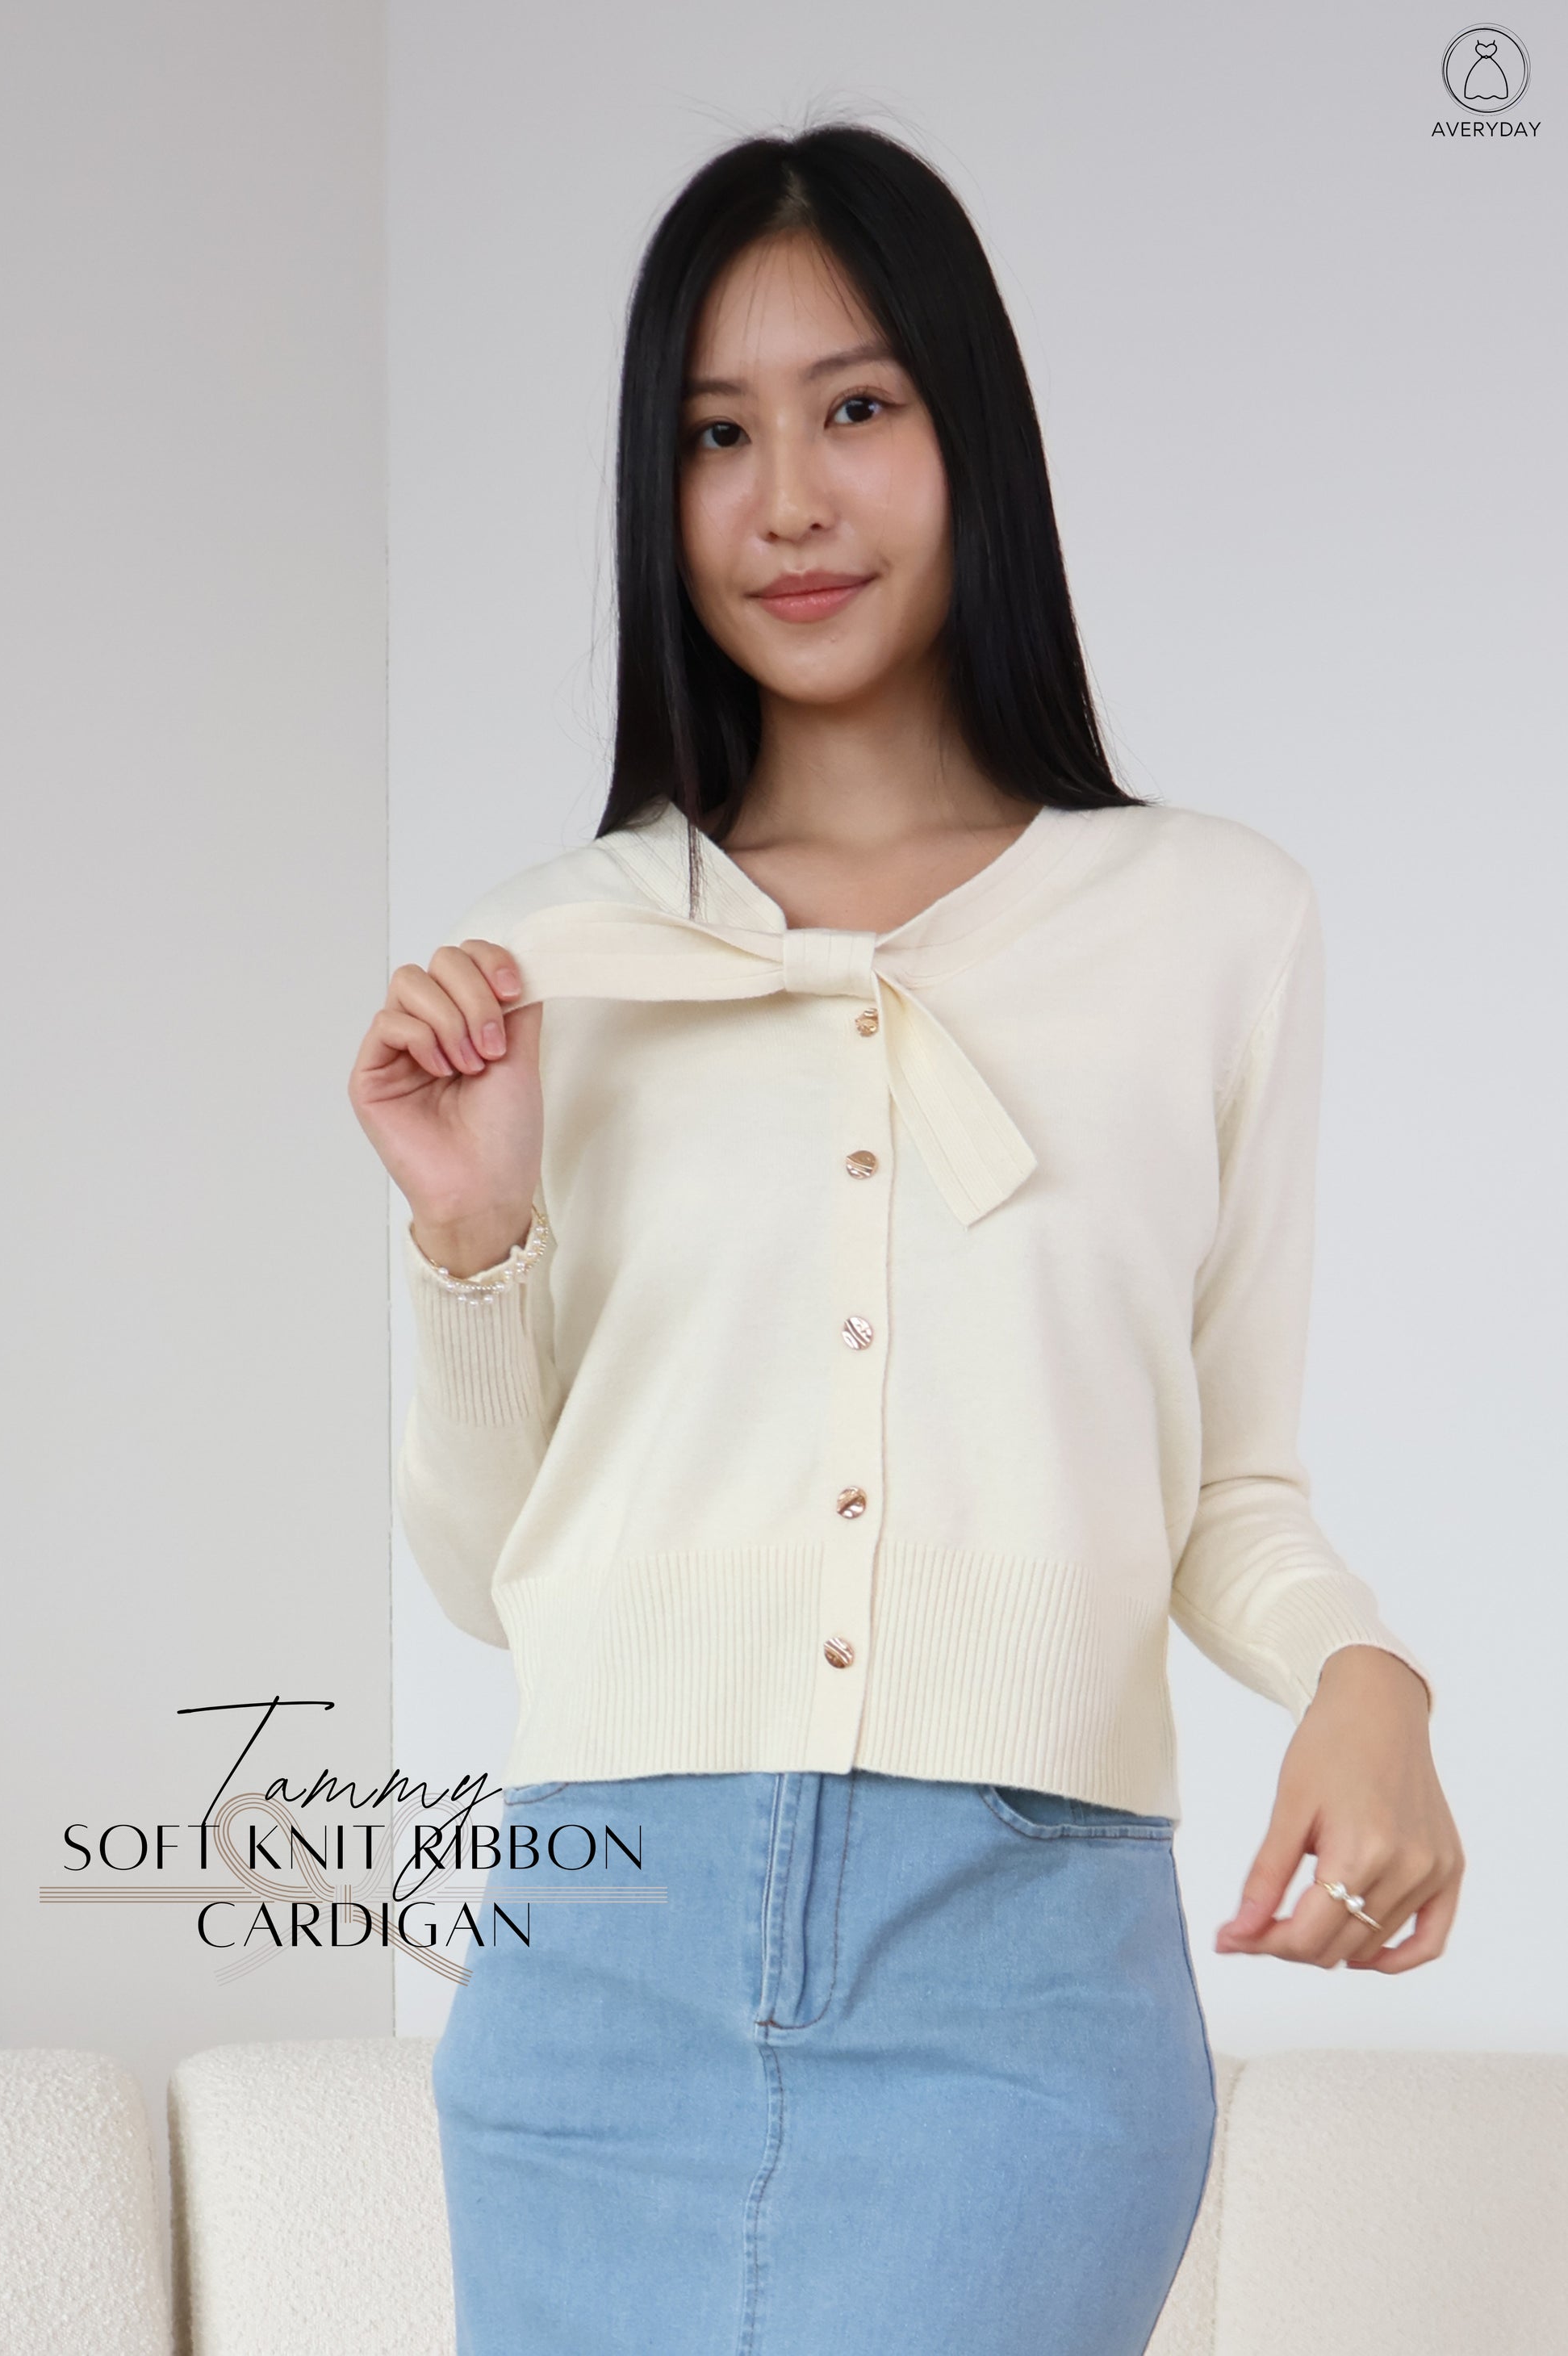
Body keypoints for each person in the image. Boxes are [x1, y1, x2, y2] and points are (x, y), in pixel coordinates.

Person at [349, 121, 1463, 2356]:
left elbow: (1225, 1483)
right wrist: (471, 1238)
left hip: (1021, 1989)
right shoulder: (552, 960)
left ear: (975, 437)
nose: (786, 501)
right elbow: (486, 1573)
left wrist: (1368, 1678)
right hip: (599, 1976)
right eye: (714, 434)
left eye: (854, 406)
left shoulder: (1208, 925)